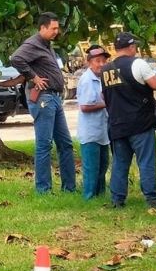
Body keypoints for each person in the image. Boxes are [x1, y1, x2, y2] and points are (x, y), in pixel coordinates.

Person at [10, 12, 76, 195]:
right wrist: (34, 77)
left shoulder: (47, 45)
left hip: (54, 98)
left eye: (57, 27)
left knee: (65, 144)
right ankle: (43, 190)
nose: (57, 31)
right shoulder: (33, 44)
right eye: (53, 28)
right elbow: (15, 58)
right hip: (43, 99)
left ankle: (69, 188)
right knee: (44, 144)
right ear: (42, 28)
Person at [101, 32, 156, 208]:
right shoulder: (138, 63)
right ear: (131, 47)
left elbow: (104, 96)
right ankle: (152, 198)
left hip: (117, 124)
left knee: (120, 163)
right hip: (140, 123)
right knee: (146, 162)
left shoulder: (106, 69)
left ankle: (117, 200)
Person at [76, 45, 111, 200]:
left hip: (102, 131)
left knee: (102, 166)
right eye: (98, 61)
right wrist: (108, 103)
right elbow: (85, 106)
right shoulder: (87, 80)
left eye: (104, 60)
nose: (101, 64)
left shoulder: (102, 78)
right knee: (91, 168)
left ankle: (100, 195)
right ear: (89, 62)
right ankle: (89, 197)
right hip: (90, 132)